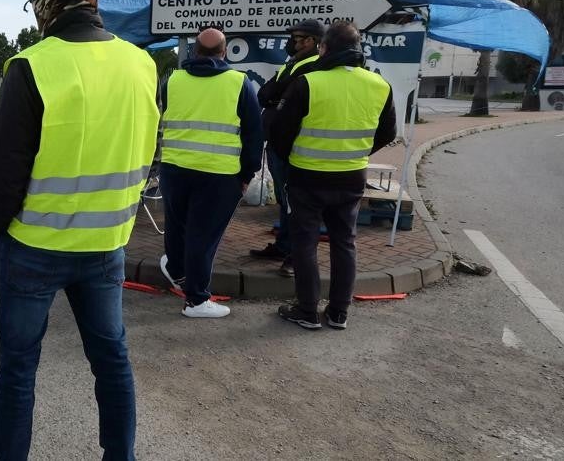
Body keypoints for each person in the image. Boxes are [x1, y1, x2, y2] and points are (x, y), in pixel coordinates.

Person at [0, 0, 159, 460]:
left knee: (18, 368)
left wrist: (2, 228)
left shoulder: (33, 66)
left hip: (34, 245)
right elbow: (151, 146)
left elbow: (1, 171)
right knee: (112, 360)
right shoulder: (140, 64)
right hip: (106, 246)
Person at [269, 22, 396, 330]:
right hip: (351, 176)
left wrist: (293, 160)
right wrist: (356, 153)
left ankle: (307, 309)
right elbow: (388, 132)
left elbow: (279, 133)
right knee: (345, 242)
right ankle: (339, 312)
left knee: (305, 243)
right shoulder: (380, 85)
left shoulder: (308, 83)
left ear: (324, 48)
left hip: (306, 177)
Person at [157, 28, 263, 318]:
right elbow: (254, 135)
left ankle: (176, 270)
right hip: (219, 175)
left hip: (175, 168)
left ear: (194, 52)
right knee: (202, 238)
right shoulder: (239, 83)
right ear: (224, 52)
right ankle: (196, 300)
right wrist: (247, 174)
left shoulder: (173, 80)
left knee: (177, 227)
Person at [249, 19, 323, 278]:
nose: (292, 42)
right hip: (278, 143)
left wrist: (275, 95)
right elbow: (266, 94)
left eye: (298, 37)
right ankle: (283, 247)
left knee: (298, 205)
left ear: (311, 41)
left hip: (295, 145)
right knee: (285, 200)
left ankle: (295, 257)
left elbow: (278, 94)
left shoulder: (313, 66)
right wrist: (274, 95)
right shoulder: (292, 64)